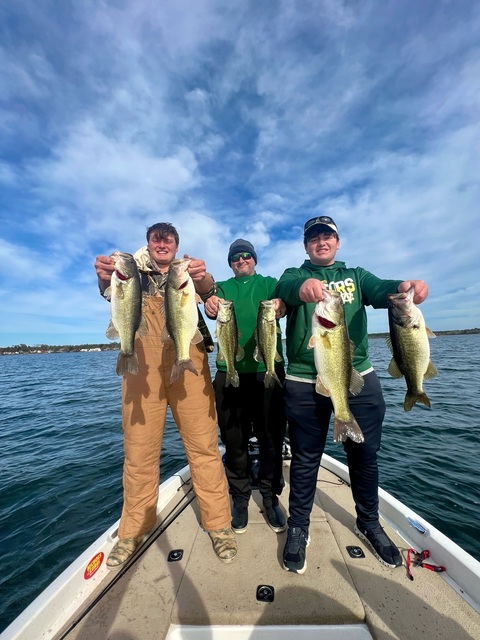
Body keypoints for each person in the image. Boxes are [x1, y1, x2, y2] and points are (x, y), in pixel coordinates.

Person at [276, 215, 429, 574]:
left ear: (337, 241)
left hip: (358, 375)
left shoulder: (357, 276)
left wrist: (408, 285)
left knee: (364, 455)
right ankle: (299, 526)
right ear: (306, 246)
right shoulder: (293, 275)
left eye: (327, 236)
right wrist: (305, 289)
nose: (321, 241)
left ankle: (369, 521)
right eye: (314, 238)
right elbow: (287, 290)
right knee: (304, 457)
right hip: (303, 380)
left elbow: (384, 289)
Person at [95, 222, 237, 567]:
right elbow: (109, 291)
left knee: (203, 446)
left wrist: (202, 280)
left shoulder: (186, 272)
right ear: (148, 244)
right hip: (140, 365)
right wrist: (104, 277)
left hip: (186, 361)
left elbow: (209, 290)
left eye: (168, 238)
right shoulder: (130, 273)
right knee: (139, 450)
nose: (163, 243)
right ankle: (132, 531)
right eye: (156, 238)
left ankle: (218, 525)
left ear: (176, 245)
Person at [204, 239, 288, 535]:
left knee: (271, 437)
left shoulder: (269, 283)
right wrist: (209, 303)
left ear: (254, 259)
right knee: (234, 438)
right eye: (235, 258)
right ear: (230, 263)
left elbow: (284, 303)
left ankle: (269, 496)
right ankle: (239, 498)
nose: (241, 260)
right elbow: (211, 302)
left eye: (246, 256)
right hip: (230, 372)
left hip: (268, 371)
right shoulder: (224, 288)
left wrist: (280, 305)